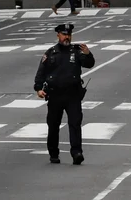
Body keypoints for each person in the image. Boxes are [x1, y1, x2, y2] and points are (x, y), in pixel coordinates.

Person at [33, 23, 95, 165]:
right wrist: (38, 88)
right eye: (64, 34)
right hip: (55, 95)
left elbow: (89, 64)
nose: (67, 37)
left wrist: (88, 54)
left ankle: (77, 153)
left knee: (75, 123)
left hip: (72, 94)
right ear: (58, 35)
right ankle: (53, 152)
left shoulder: (76, 51)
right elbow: (41, 72)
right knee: (53, 124)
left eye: (69, 35)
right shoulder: (51, 53)